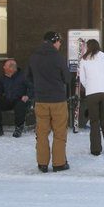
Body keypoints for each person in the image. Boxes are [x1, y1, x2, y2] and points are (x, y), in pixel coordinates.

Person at [27, 31, 71, 172]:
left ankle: (42, 163)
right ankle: (59, 163)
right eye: (59, 42)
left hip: (41, 100)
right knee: (59, 133)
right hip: (58, 99)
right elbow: (67, 78)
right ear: (55, 41)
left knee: (42, 133)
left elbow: (28, 77)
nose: (60, 45)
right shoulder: (58, 58)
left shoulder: (34, 57)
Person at [79, 39, 104, 156]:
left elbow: (82, 79)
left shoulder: (84, 60)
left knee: (94, 121)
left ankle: (96, 149)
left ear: (88, 47)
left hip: (92, 93)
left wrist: (89, 86)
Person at [0, 59, 34, 138]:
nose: (3, 68)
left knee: (20, 105)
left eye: (5, 66)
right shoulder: (3, 77)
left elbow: (33, 88)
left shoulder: (23, 76)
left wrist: (27, 96)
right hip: (8, 99)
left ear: (11, 68)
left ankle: (19, 127)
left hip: (19, 99)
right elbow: (0, 88)